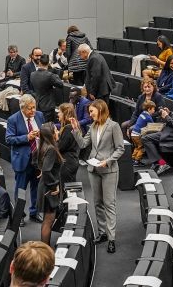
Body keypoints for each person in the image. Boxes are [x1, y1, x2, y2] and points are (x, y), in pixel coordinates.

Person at [70, 99, 124, 253]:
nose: (90, 114)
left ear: (100, 110)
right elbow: (82, 144)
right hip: (93, 169)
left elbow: (120, 149)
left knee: (109, 204)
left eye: (92, 111)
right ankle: (102, 233)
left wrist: (108, 161)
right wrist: (75, 130)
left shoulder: (113, 126)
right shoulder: (93, 126)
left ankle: (111, 238)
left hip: (109, 170)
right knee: (97, 202)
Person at [5, 94, 45, 225]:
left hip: (38, 159)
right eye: (30, 108)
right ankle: (19, 215)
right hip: (22, 160)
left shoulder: (39, 115)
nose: (33, 111)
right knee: (20, 189)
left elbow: (45, 132)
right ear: (22, 108)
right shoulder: (13, 119)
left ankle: (35, 212)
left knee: (36, 187)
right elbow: (9, 139)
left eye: (34, 107)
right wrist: (26, 137)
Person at [36, 122, 62, 245]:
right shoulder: (51, 149)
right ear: (51, 134)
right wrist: (54, 185)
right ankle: (45, 249)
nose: (58, 132)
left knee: (47, 220)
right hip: (48, 188)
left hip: (44, 186)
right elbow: (46, 170)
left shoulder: (44, 145)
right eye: (56, 130)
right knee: (48, 221)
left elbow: (38, 163)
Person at [30, 54, 64, 122]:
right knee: (48, 128)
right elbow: (60, 84)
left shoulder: (32, 74)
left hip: (37, 104)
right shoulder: (50, 76)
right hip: (48, 106)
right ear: (48, 63)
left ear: (39, 62)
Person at [57, 103, 80, 187]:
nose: (58, 114)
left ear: (65, 113)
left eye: (59, 112)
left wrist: (56, 137)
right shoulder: (71, 126)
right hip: (71, 160)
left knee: (66, 189)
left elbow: (60, 147)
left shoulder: (68, 128)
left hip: (68, 162)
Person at [129, 101, 156, 166]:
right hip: (138, 135)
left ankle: (133, 158)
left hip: (133, 134)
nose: (154, 111)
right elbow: (153, 126)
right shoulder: (148, 117)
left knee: (137, 147)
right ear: (149, 109)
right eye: (153, 109)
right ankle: (137, 161)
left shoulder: (142, 114)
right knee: (141, 148)